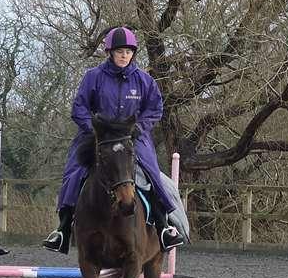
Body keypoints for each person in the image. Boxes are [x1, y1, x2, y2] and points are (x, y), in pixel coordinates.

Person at [42, 26, 185, 254]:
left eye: (128, 52)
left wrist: (139, 127)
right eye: (119, 51)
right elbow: (79, 108)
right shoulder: (93, 77)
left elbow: (155, 109)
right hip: (97, 136)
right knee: (74, 172)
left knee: (151, 173)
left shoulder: (144, 80)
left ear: (133, 53)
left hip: (132, 137)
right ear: (110, 52)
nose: (124, 56)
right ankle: (62, 229)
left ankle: (163, 227)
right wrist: (94, 129)